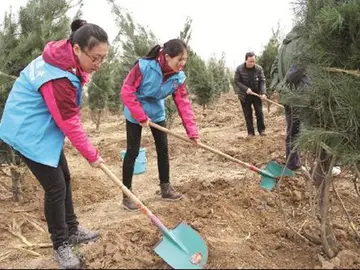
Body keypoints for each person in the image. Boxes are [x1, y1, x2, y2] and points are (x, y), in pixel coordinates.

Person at [0, 19, 109, 269]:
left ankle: (72, 229)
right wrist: (92, 155)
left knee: (65, 177)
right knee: (56, 187)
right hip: (27, 130)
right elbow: (70, 122)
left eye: (103, 58)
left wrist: (85, 72)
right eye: (95, 58)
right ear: (78, 49)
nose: (99, 64)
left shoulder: (64, 58)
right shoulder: (59, 76)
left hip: (41, 126)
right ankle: (61, 245)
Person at [120, 39, 200, 212]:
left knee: (163, 148)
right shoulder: (144, 66)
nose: (182, 64)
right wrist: (140, 115)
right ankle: (127, 195)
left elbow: (183, 103)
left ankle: (165, 188)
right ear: (167, 56)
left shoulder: (178, 77)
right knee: (132, 151)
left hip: (156, 111)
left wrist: (192, 132)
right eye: (179, 59)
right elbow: (126, 90)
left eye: (184, 60)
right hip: (135, 109)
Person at [269, 26, 308, 171]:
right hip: (300, 94)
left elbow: (273, 68)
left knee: (292, 129)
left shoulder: (283, 47)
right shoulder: (304, 42)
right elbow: (299, 67)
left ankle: (292, 162)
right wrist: (285, 83)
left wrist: (277, 85)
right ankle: (295, 164)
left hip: (287, 95)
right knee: (302, 129)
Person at [234, 52, 267, 137]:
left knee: (259, 112)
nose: (252, 63)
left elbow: (262, 81)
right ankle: (251, 132)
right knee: (248, 114)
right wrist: (246, 89)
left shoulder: (259, 69)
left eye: (254, 61)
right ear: (246, 60)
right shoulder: (239, 69)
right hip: (244, 96)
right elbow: (237, 82)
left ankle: (261, 130)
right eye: (250, 61)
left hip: (256, 94)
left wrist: (263, 93)